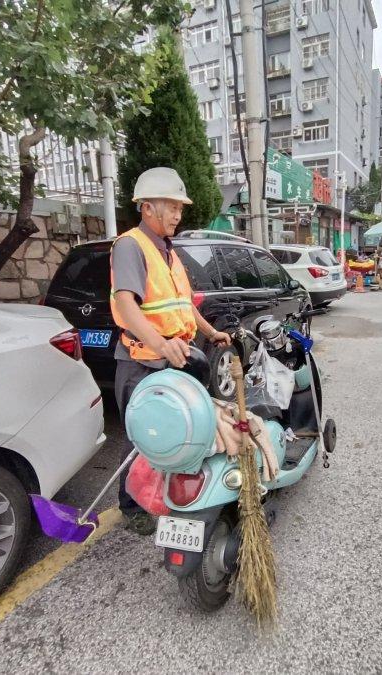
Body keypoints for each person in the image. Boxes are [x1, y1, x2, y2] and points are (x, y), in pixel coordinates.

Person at [110, 167, 233, 534]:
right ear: (148, 207)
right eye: (172, 207)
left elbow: (183, 304)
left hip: (175, 358)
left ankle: (170, 494)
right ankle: (130, 506)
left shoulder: (169, 252)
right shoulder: (131, 246)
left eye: (180, 208)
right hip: (142, 362)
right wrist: (160, 343)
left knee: (180, 430)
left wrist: (211, 333)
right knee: (143, 436)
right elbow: (127, 304)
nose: (179, 215)